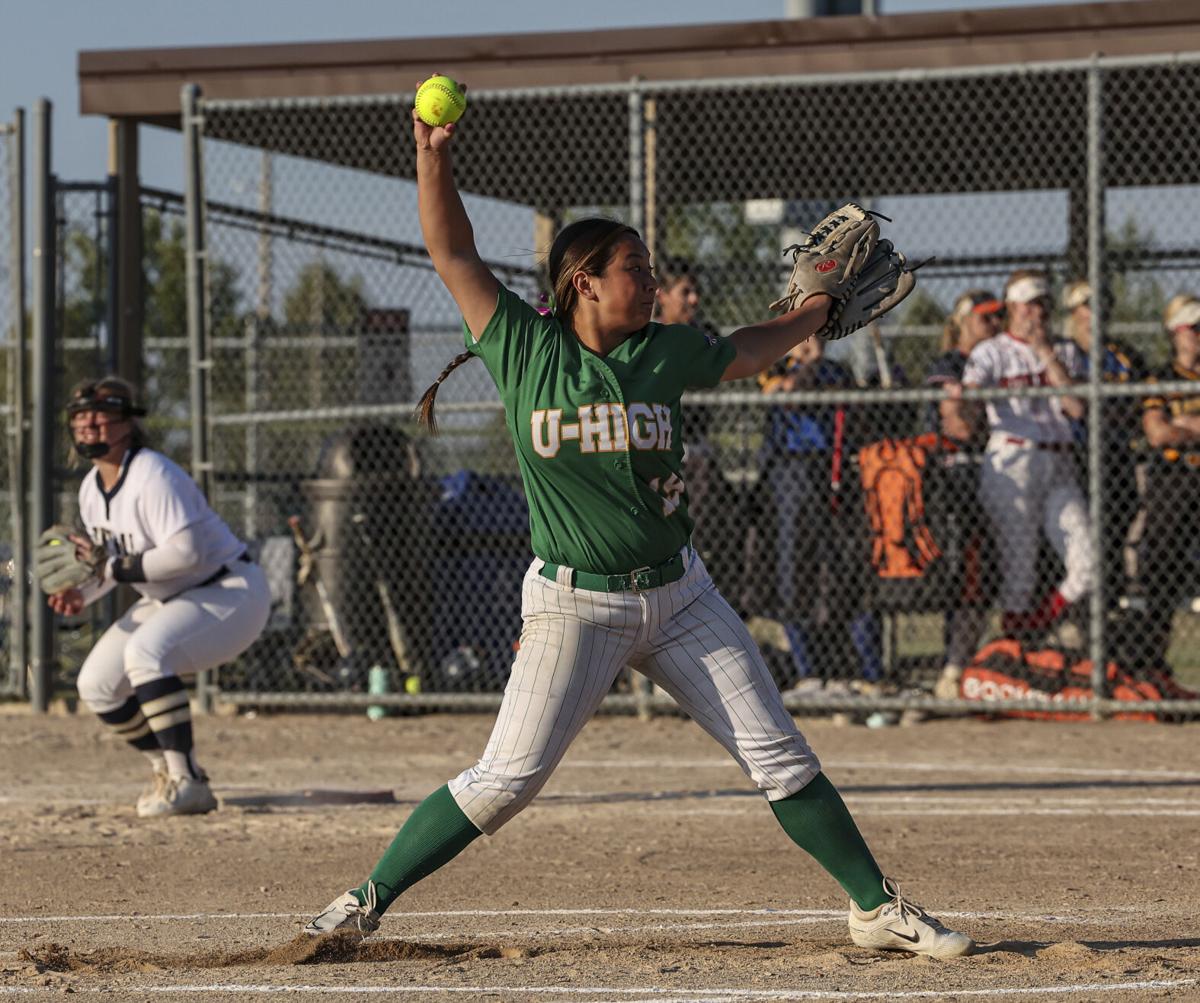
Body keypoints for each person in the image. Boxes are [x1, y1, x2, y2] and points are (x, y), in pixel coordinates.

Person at [301, 88, 974, 959]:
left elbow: (753, 347)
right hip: (572, 606)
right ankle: (363, 900)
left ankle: (873, 906)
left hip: (681, 593)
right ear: (583, 281)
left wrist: (817, 311)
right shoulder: (521, 343)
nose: (652, 281)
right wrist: (434, 155)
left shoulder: (668, 349)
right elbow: (451, 247)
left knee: (778, 751)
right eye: (635, 269)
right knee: (505, 779)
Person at [45, 377, 271, 817]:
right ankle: (168, 771)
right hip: (171, 599)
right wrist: (83, 593)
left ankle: (189, 782)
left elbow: (186, 554)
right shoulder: (91, 488)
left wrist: (108, 569)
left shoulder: (153, 473)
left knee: (146, 651)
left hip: (230, 591)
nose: (89, 424)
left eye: (101, 414)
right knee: (97, 685)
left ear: (127, 423)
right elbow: (114, 563)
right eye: (80, 416)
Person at [961, 270, 1095, 638]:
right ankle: (1016, 648)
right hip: (1013, 461)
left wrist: (1044, 353)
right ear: (1013, 309)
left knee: (1088, 563)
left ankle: (1036, 627)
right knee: (1019, 571)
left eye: (1044, 306)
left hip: (1060, 462)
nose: (1038, 314)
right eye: (1029, 306)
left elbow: (1076, 408)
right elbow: (969, 398)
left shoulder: (1064, 351)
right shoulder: (992, 351)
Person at [751, 338, 881, 687]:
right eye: (804, 335)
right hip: (791, 474)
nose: (812, 342)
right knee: (794, 569)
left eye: (817, 335)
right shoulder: (776, 368)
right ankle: (808, 670)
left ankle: (867, 673)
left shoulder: (835, 371)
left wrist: (819, 363)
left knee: (846, 568)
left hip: (836, 474)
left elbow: (858, 414)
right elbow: (788, 395)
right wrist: (805, 360)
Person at [925, 291, 1002, 698]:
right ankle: (954, 669)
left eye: (999, 318)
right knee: (970, 575)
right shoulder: (950, 365)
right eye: (986, 319)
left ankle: (991, 663)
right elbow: (960, 426)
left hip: (1002, 475)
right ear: (964, 323)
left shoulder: (1003, 358)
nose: (995, 325)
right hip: (958, 482)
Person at [1057, 280, 1146, 610]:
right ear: (1074, 312)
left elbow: (1129, 407)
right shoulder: (1064, 351)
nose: (1098, 311)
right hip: (1074, 457)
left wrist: (1092, 403)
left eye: (1102, 302)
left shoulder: (1122, 355)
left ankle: (1108, 614)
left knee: (1112, 541)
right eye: (1088, 304)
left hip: (1115, 457)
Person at [1128, 295, 1200, 688]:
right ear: (1175, 333)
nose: (1199, 336)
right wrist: (1183, 427)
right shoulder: (1160, 377)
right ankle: (1152, 666)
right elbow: (1158, 432)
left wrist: (1186, 424)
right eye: (1193, 328)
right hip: (1175, 483)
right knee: (1158, 571)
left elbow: (1175, 429)